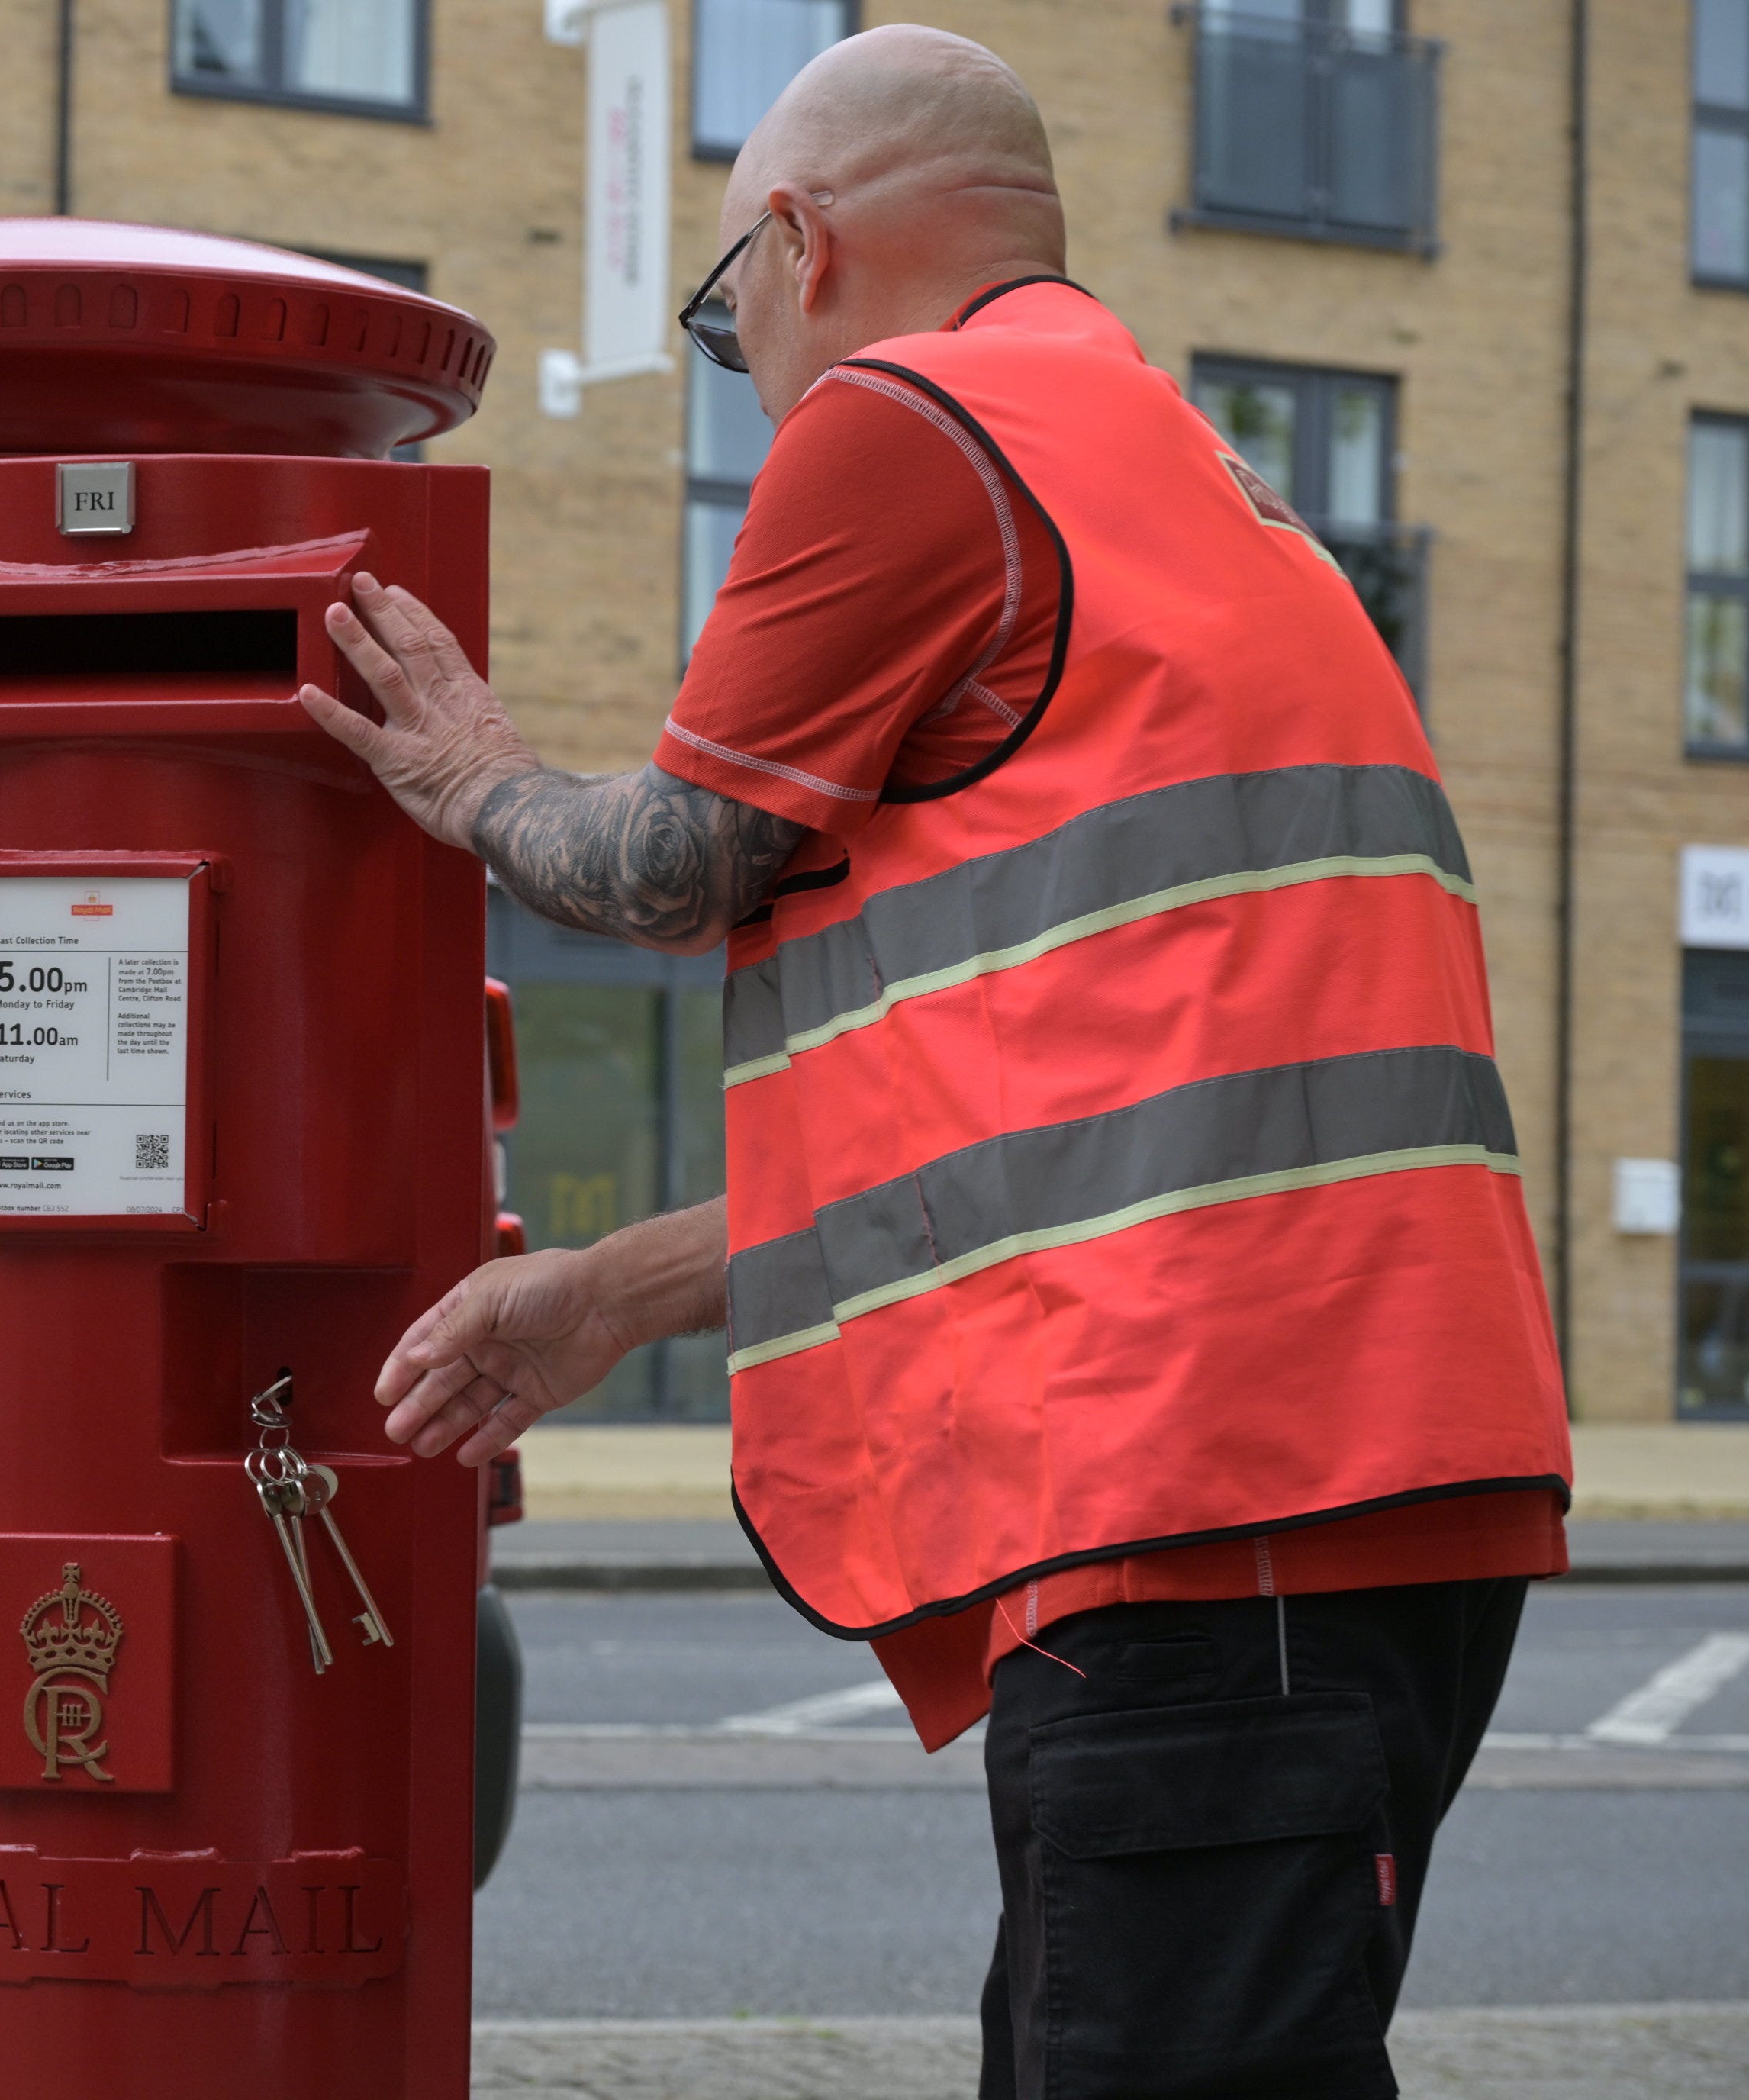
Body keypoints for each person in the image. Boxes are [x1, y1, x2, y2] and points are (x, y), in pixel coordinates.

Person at [298, 24, 1575, 2100]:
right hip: (1357, 1483)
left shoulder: (910, 423)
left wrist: (469, 773)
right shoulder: (1187, 477)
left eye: (728, 327)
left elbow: (677, 864)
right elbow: (1049, 1138)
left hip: (1204, 1490)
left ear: (797, 244)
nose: (758, 381)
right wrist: (607, 1296)